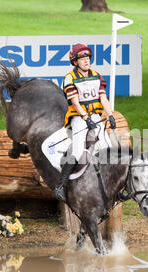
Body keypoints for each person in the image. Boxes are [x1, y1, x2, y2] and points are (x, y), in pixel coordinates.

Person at [54, 43, 116, 202]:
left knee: (108, 148)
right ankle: (60, 186)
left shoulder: (96, 75)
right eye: (82, 59)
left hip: (95, 116)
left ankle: (112, 187)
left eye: (88, 58)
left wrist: (110, 115)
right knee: (77, 151)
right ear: (75, 62)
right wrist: (85, 117)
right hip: (78, 117)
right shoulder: (70, 78)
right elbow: (74, 101)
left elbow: (103, 97)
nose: (86, 61)